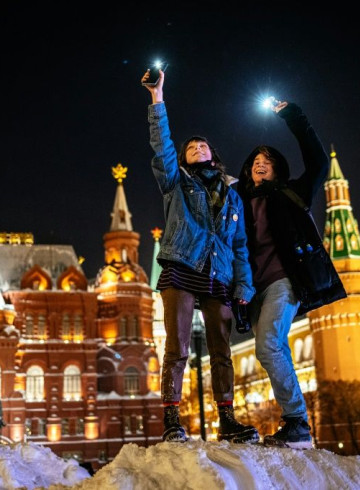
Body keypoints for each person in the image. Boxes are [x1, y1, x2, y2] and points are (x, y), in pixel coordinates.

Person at [142, 68, 259, 444]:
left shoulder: (232, 195)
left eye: (202, 146)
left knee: (222, 352)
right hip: (181, 268)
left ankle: (227, 421)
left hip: (219, 276)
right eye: (190, 148)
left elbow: (240, 245)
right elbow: (162, 148)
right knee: (177, 346)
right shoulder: (176, 182)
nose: (196, 148)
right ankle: (173, 420)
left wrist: (243, 284)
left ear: (213, 154)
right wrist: (157, 99)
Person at [236, 99, 347, 449]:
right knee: (273, 348)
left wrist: (293, 115)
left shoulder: (291, 194)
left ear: (277, 169)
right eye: (255, 161)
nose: (260, 165)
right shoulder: (237, 200)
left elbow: (316, 161)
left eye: (267, 162)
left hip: (284, 281)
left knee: (267, 345)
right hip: (253, 290)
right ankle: (296, 425)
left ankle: (297, 421)